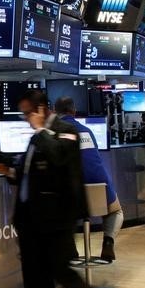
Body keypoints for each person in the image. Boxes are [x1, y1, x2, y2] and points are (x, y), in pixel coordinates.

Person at [0, 90, 108, 288]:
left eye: (27, 113)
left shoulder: (65, 131)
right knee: (35, 281)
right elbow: (29, 174)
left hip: (56, 221)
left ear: (41, 109)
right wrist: (8, 170)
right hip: (30, 222)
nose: (25, 119)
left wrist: (40, 131)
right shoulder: (38, 137)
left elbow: (58, 157)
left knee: (62, 273)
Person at [54, 97, 123, 262]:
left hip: (72, 196)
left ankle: (70, 249)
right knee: (116, 211)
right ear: (74, 111)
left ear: (56, 112)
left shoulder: (54, 133)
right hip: (100, 189)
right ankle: (108, 241)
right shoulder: (88, 131)